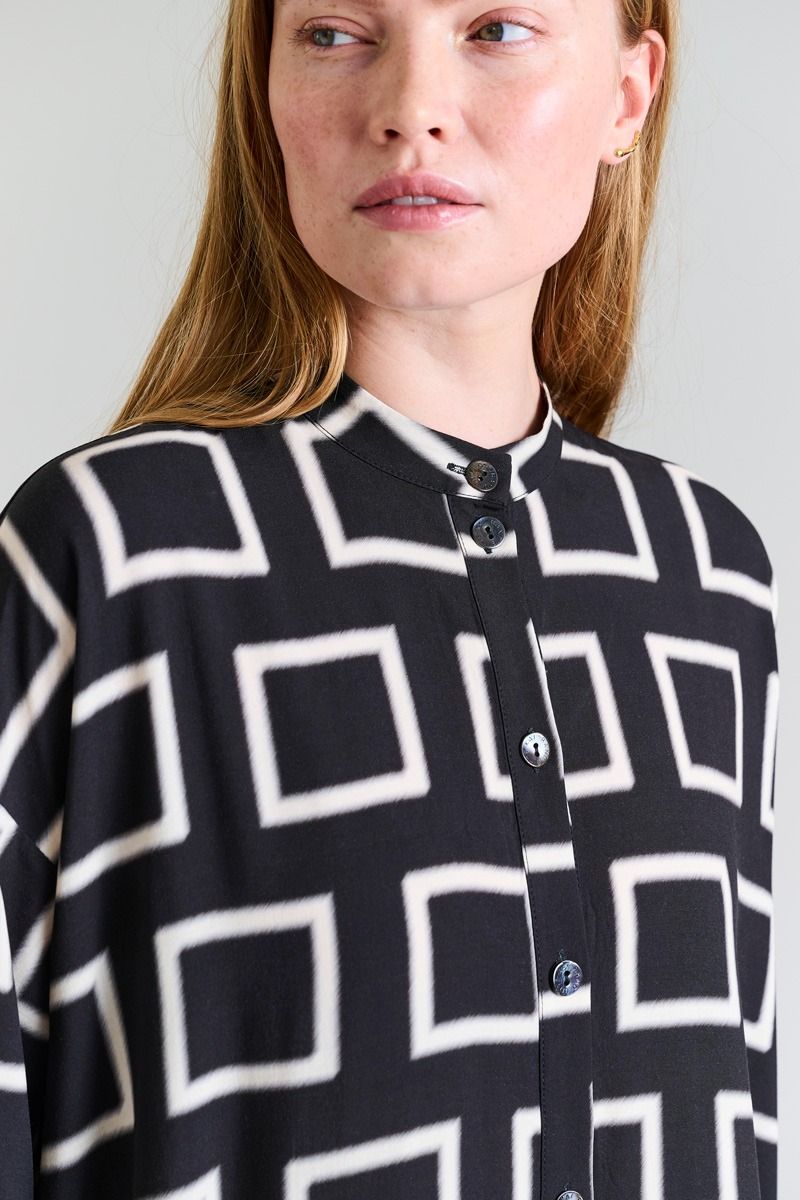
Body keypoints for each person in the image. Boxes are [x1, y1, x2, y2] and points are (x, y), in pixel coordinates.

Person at [0, 1, 779, 1197]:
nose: (409, 109)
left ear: (627, 95)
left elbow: (736, 1101)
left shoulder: (704, 571)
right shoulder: (107, 554)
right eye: (333, 33)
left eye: (496, 29)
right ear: (264, 93)